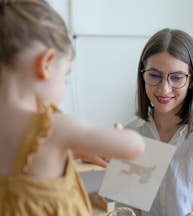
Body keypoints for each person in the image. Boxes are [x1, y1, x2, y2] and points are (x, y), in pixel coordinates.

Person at [0, 0, 145, 215]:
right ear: (46, 64)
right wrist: (117, 136)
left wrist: (72, 151)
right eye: (66, 76)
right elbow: (134, 147)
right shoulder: (54, 127)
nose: (64, 84)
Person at [118, 28, 193, 216]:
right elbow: (125, 209)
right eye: (154, 76)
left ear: (192, 80)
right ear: (143, 75)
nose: (164, 89)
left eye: (177, 77)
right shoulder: (131, 135)